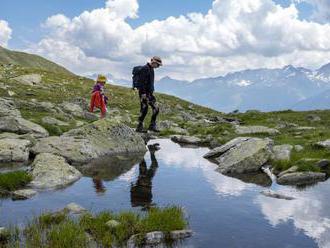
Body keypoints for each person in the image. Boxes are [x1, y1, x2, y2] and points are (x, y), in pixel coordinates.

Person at [135, 56, 163, 133]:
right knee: (144, 109)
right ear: (154, 62)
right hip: (143, 93)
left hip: (149, 93)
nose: (158, 67)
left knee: (156, 108)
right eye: (158, 65)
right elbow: (141, 82)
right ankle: (139, 127)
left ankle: (152, 126)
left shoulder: (151, 69)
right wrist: (143, 93)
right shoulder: (145, 68)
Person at [130, 143, 160, 208]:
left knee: (150, 166)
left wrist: (133, 186)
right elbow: (132, 192)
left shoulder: (146, 200)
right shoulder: (146, 200)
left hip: (144, 182)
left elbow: (133, 192)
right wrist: (133, 186)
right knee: (151, 166)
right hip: (144, 182)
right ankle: (149, 150)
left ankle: (148, 150)